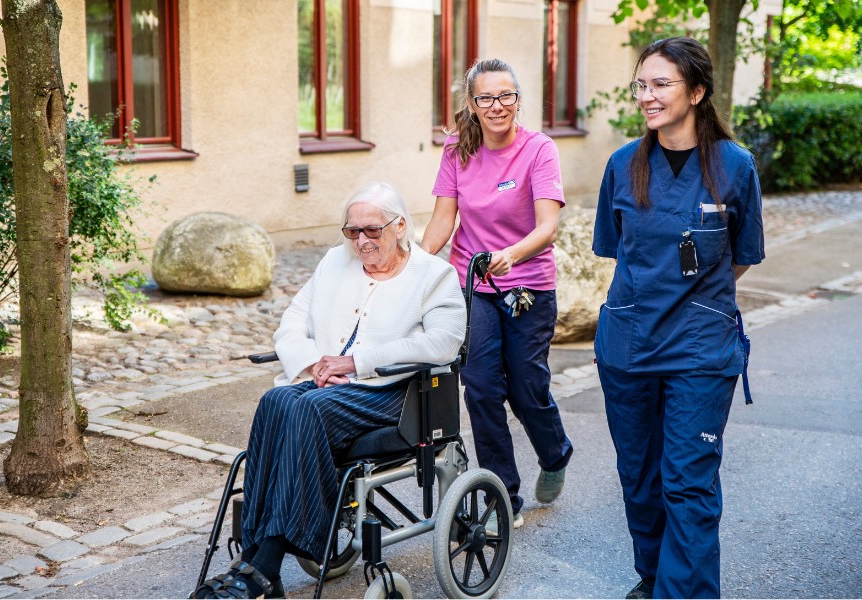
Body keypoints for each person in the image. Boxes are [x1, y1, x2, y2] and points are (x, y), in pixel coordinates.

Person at [192, 182, 466, 599]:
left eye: (372, 230)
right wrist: (311, 363)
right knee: (276, 399)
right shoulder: (334, 263)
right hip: (329, 384)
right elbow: (292, 321)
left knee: (308, 410)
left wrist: (357, 361)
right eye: (352, 231)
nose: (361, 241)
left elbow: (443, 342)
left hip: (393, 392)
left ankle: (262, 566)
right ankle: (255, 563)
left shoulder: (434, 275)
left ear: (400, 227)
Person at [592, 37, 764, 599]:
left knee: (687, 483)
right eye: (641, 84)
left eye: (660, 84)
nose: (647, 95)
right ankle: (655, 579)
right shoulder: (622, 166)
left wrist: (698, 305)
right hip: (629, 345)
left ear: (696, 92)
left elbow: (741, 255)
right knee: (640, 481)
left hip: (699, 348)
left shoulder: (735, 168)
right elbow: (620, 251)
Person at [421, 58, 574, 529]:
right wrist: (414, 272)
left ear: (518, 99)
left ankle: (554, 453)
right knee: (483, 388)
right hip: (474, 283)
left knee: (528, 388)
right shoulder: (457, 149)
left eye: (506, 96)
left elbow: (548, 226)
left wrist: (511, 253)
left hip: (527, 285)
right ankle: (501, 494)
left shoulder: (538, 149)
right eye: (485, 97)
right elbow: (444, 221)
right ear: (471, 103)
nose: (497, 106)